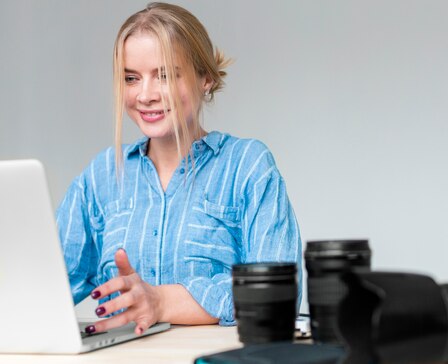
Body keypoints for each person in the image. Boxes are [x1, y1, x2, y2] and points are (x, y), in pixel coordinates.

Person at [56, 2, 301, 335]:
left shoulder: (247, 167)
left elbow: (276, 297)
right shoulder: (100, 177)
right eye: (131, 78)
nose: (145, 95)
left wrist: (160, 301)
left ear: (206, 78)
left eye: (166, 75)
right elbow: (44, 289)